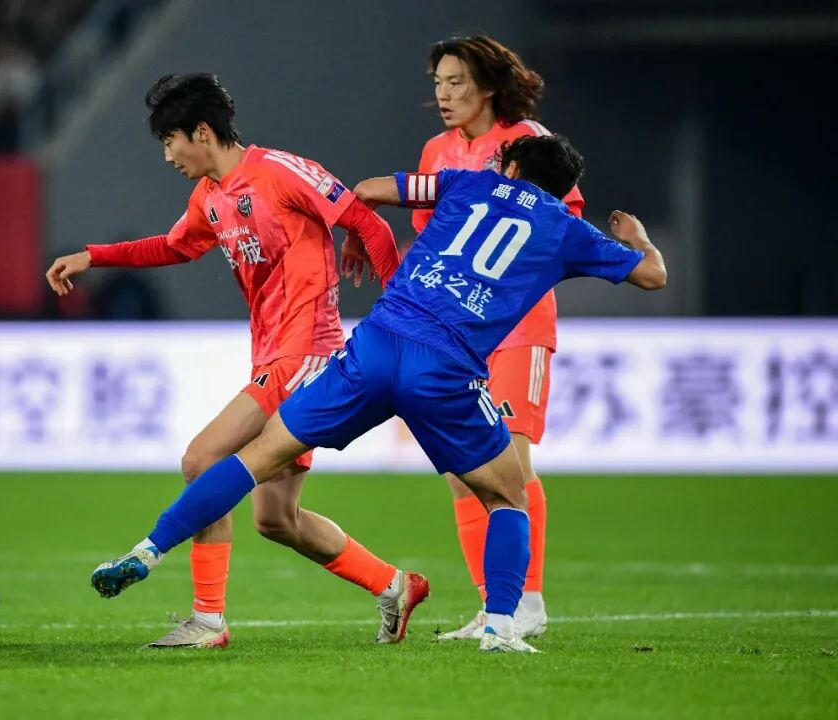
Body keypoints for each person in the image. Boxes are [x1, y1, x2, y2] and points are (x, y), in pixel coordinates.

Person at [87, 133, 666, 653]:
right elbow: (651, 276)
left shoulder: (464, 183)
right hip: (445, 370)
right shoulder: (568, 230)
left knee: (255, 457)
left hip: (377, 345)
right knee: (507, 499)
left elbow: (368, 190)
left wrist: (360, 239)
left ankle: (149, 549)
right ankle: (499, 629)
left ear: (512, 168)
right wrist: (638, 239)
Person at [46, 73, 429, 648]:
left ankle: (207, 619)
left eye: (170, 140)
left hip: (307, 352)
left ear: (202, 132)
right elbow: (174, 246)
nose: (168, 155)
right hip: (272, 353)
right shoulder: (209, 196)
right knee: (276, 520)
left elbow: (368, 222)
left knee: (203, 458)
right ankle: (395, 586)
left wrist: (398, 321)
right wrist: (93, 257)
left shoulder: (281, 171)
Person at [343, 34, 582, 640]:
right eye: (438, 84)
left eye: (456, 83)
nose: (444, 95)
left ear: (490, 87)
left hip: (519, 324)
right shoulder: (437, 150)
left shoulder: (529, 142)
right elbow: (434, 234)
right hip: (458, 331)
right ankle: (490, 605)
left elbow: (568, 223)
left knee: (512, 464)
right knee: (462, 471)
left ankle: (527, 602)